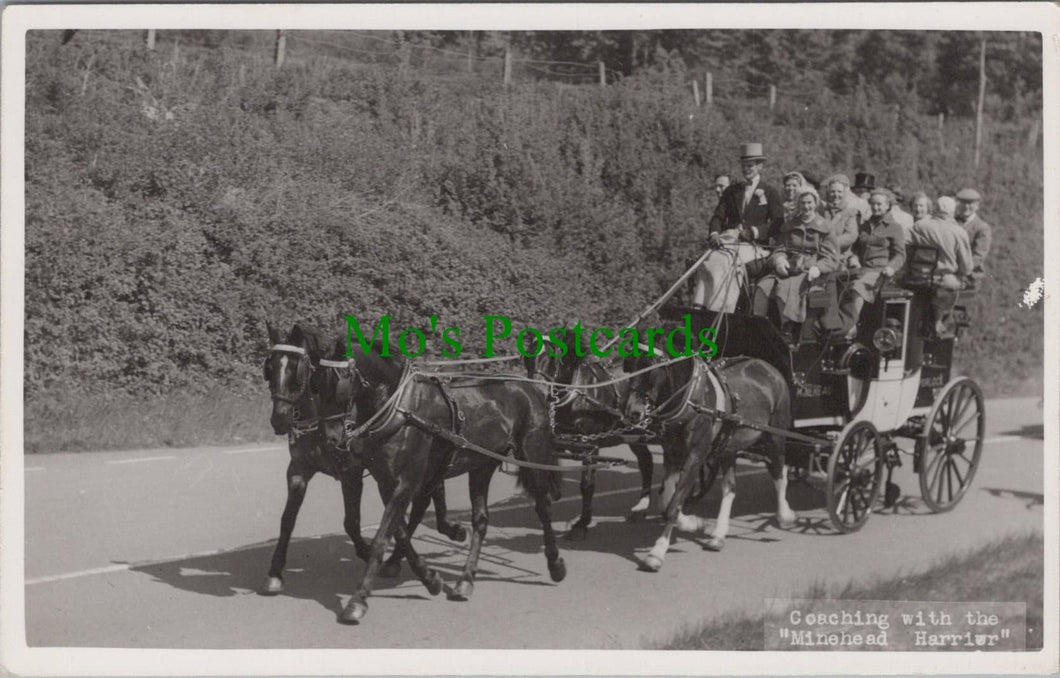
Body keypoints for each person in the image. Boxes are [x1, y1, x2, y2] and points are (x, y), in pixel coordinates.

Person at [691, 143, 784, 312]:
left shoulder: (770, 192)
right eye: (744, 166)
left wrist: (755, 232)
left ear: (760, 166)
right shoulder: (732, 191)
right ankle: (699, 306)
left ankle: (722, 309)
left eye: (751, 165)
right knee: (710, 261)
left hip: (754, 247)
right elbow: (718, 217)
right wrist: (714, 234)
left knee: (727, 263)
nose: (747, 169)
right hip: (730, 242)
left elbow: (777, 222)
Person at [753, 186, 840, 341]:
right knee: (762, 287)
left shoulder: (825, 227)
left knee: (784, 287)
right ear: (798, 204)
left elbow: (831, 257)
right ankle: (757, 327)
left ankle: (787, 328)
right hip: (790, 267)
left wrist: (818, 268)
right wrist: (779, 260)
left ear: (816, 203)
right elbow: (780, 248)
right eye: (803, 203)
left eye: (809, 203)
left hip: (810, 272)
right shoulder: (790, 225)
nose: (806, 207)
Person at [837, 189, 908, 338]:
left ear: (888, 205)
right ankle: (835, 324)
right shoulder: (864, 226)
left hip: (881, 272)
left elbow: (900, 254)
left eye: (879, 204)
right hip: (861, 269)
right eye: (873, 204)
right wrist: (853, 258)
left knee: (857, 288)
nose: (876, 207)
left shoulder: (894, 227)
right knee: (837, 284)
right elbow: (855, 248)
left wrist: (891, 267)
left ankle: (851, 326)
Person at [909, 204, 974, 291]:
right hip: (944, 280)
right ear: (952, 213)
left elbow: (906, 246)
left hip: (918, 277)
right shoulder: (959, 232)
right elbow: (966, 268)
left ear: (935, 210)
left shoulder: (918, 226)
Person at [819, 174, 861, 266]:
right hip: (820, 255)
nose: (836, 195)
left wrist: (829, 243)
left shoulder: (850, 212)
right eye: (832, 192)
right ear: (828, 193)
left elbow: (851, 235)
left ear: (844, 193)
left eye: (839, 192)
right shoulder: (821, 210)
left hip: (840, 257)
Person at [955, 187, 992, 283]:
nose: (966, 206)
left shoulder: (982, 228)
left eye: (970, 203)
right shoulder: (952, 222)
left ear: (977, 206)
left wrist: (958, 268)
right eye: (963, 203)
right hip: (950, 272)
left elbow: (978, 256)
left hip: (970, 276)